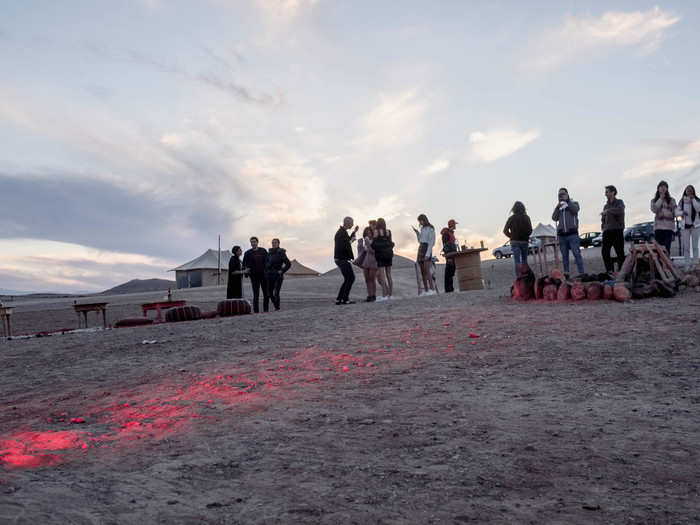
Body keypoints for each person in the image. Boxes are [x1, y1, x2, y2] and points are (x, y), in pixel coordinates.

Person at [552, 188, 584, 276]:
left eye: (563, 194)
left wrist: (568, 201)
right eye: (559, 194)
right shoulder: (560, 207)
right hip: (562, 235)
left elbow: (575, 210)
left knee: (576, 254)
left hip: (572, 234)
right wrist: (557, 208)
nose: (561, 196)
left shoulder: (574, 203)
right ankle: (567, 274)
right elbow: (554, 218)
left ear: (567, 194)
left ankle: (581, 273)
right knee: (564, 256)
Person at [503, 202, 533, 277]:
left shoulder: (511, 218)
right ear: (523, 208)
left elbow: (505, 230)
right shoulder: (526, 217)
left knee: (517, 261)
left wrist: (511, 236)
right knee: (524, 261)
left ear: (513, 209)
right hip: (524, 241)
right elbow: (530, 230)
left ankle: (519, 277)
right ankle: (525, 276)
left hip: (515, 241)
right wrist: (526, 236)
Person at [601, 185, 626, 273]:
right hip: (607, 232)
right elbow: (603, 219)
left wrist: (608, 211)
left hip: (617, 230)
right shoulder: (605, 206)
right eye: (605, 192)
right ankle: (610, 271)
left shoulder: (619, 202)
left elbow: (620, 211)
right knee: (605, 252)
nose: (605, 194)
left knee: (620, 252)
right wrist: (603, 226)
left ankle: (621, 272)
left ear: (613, 192)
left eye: (607, 192)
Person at [334, 217, 358, 305]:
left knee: (347, 278)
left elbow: (346, 241)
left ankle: (339, 299)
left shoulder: (343, 232)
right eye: (352, 223)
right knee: (351, 278)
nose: (353, 224)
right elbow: (344, 245)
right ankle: (344, 299)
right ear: (348, 223)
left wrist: (354, 232)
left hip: (340, 259)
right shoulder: (340, 233)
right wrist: (351, 241)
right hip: (341, 259)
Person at [676, 185, 700, 271]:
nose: (689, 191)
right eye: (687, 190)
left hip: (695, 226)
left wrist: (692, 199)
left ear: (693, 191)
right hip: (684, 227)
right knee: (686, 247)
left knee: (695, 246)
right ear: (685, 191)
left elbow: (698, 209)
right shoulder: (682, 201)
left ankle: (695, 264)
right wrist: (682, 213)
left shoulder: (697, 200)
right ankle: (687, 264)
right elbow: (676, 212)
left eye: (691, 190)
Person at [242, 236, 269, 313]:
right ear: (250, 243)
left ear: (257, 242)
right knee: (256, 295)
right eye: (252, 242)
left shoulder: (263, 251)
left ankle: (266, 310)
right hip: (254, 276)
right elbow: (244, 264)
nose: (253, 243)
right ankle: (256, 311)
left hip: (264, 276)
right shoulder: (247, 253)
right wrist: (246, 272)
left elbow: (268, 261)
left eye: (254, 241)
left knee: (266, 294)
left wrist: (267, 271)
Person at [650, 180, 677, 255]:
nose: (663, 188)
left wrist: (665, 214)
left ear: (667, 189)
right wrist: (661, 198)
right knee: (658, 249)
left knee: (667, 248)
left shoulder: (672, 200)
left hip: (669, 227)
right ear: (658, 188)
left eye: (665, 186)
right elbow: (654, 209)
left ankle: (667, 264)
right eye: (661, 186)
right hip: (658, 227)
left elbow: (675, 212)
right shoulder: (654, 200)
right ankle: (660, 265)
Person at [264, 238, 292, 310]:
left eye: (275, 242)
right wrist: (266, 270)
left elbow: (288, 264)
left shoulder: (281, 252)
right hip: (269, 275)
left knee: (276, 292)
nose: (273, 244)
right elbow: (266, 263)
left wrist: (282, 271)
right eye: (272, 242)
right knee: (269, 293)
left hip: (278, 276)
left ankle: (277, 308)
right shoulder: (269, 253)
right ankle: (276, 306)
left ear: (278, 244)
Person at [413, 214, 436, 295]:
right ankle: (426, 290)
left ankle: (432, 290)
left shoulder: (431, 228)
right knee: (422, 271)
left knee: (427, 270)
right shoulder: (422, 229)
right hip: (421, 248)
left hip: (427, 248)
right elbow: (420, 240)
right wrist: (417, 233)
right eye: (419, 221)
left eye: (420, 220)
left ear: (424, 219)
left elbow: (431, 242)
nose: (420, 222)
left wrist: (428, 253)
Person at [372, 218, 394, 299]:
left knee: (382, 275)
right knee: (389, 274)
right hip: (388, 254)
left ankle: (384, 295)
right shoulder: (389, 231)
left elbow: (374, 244)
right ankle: (390, 295)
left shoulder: (376, 232)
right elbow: (391, 242)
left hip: (380, 255)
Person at [358, 226, 379, 302]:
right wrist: (360, 244)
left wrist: (368, 244)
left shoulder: (375, 240)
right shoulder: (365, 240)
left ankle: (373, 295)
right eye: (366, 233)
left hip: (373, 261)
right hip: (366, 261)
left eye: (369, 232)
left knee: (372, 279)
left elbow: (374, 252)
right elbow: (361, 252)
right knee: (367, 279)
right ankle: (369, 295)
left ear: (372, 233)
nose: (368, 234)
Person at [440, 219, 458, 292]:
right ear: (452, 225)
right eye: (455, 224)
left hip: (452, 254)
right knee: (449, 271)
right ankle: (448, 289)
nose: (455, 226)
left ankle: (450, 288)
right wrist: (448, 255)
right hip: (449, 254)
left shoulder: (451, 233)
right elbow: (445, 244)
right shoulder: (446, 233)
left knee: (451, 270)